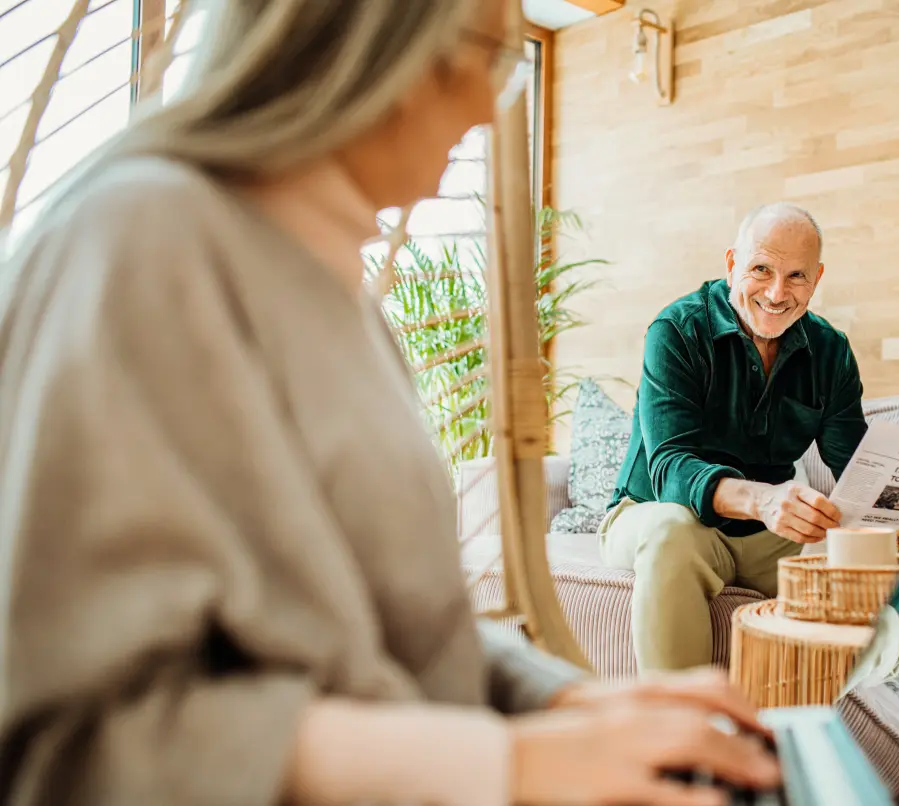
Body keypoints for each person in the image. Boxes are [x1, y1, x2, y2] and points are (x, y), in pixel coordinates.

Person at [0, 2, 781, 805]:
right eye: (471, 56)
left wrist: (563, 699)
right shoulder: (142, 238)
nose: (485, 108)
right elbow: (81, 744)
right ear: (354, 38)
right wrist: (509, 767)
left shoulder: (342, 293)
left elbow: (398, 630)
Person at [601, 203, 870, 673]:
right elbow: (670, 469)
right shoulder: (677, 331)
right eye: (760, 269)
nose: (776, 292)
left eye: (796, 276)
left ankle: (826, 725)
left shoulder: (830, 351)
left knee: (857, 557)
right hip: (656, 513)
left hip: (765, 537)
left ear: (817, 278)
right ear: (731, 264)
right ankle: (683, 731)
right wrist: (764, 500)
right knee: (672, 532)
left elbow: (860, 467)